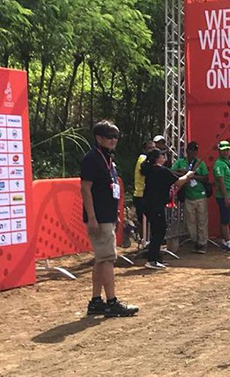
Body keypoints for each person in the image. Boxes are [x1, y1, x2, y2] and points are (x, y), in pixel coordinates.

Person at [81, 120, 139, 317]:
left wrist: (115, 215)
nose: (113, 140)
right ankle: (112, 301)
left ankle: (96, 301)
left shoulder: (108, 159)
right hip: (99, 218)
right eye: (109, 136)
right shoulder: (92, 158)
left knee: (101, 259)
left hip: (107, 216)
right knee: (107, 259)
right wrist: (92, 217)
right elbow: (86, 189)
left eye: (116, 136)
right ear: (99, 138)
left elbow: (109, 189)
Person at [141, 148, 194, 269]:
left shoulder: (150, 170)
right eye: (162, 156)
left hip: (149, 204)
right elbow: (178, 182)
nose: (164, 158)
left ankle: (156, 257)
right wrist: (188, 175)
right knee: (159, 230)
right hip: (155, 205)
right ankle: (152, 259)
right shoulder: (161, 170)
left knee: (157, 230)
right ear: (157, 159)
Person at [172, 141, 210, 254]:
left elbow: (206, 178)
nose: (193, 152)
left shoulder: (200, 163)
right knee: (190, 222)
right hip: (188, 196)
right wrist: (184, 174)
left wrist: (194, 176)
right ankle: (195, 240)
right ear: (187, 151)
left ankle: (202, 243)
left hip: (200, 195)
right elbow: (172, 172)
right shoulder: (180, 162)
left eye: (195, 150)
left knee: (202, 221)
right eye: (191, 150)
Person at [131, 139, 156, 247]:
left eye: (154, 148)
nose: (152, 150)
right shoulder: (143, 159)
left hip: (146, 195)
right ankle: (143, 243)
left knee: (148, 221)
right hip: (141, 194)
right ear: (144, 150)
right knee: (143, 221)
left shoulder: (148, 160)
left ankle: (146, 242)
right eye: (150, 148)